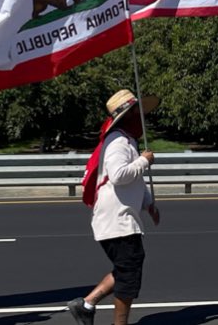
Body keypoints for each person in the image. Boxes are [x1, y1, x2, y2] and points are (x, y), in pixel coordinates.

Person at [67, 89, 160, 325]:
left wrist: (148, 203)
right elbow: (119, 176)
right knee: (129, 273)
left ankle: (87, 304)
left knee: (127, 267)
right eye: (138, 113)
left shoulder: (126, 140)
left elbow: (133, 182)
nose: (143, 118)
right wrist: (144, 160)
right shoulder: (117, 141)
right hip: (117, 221)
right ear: (128, 116)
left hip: (121, 219)